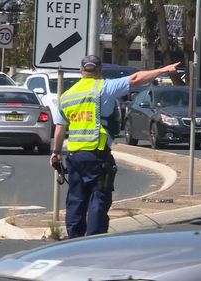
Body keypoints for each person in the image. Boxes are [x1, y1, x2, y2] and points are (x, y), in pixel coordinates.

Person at [50, 55, 180, 238]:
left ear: (81, 72)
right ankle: (95, 239)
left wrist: (55, 153)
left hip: (74, 156)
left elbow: (60, 128)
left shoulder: (67, 95)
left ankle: (74, 240)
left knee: (76, 199)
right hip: (97, 156)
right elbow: (135, 79)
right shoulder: (104, 87)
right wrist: (162, 70)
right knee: (98, 198)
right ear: (100, 71)